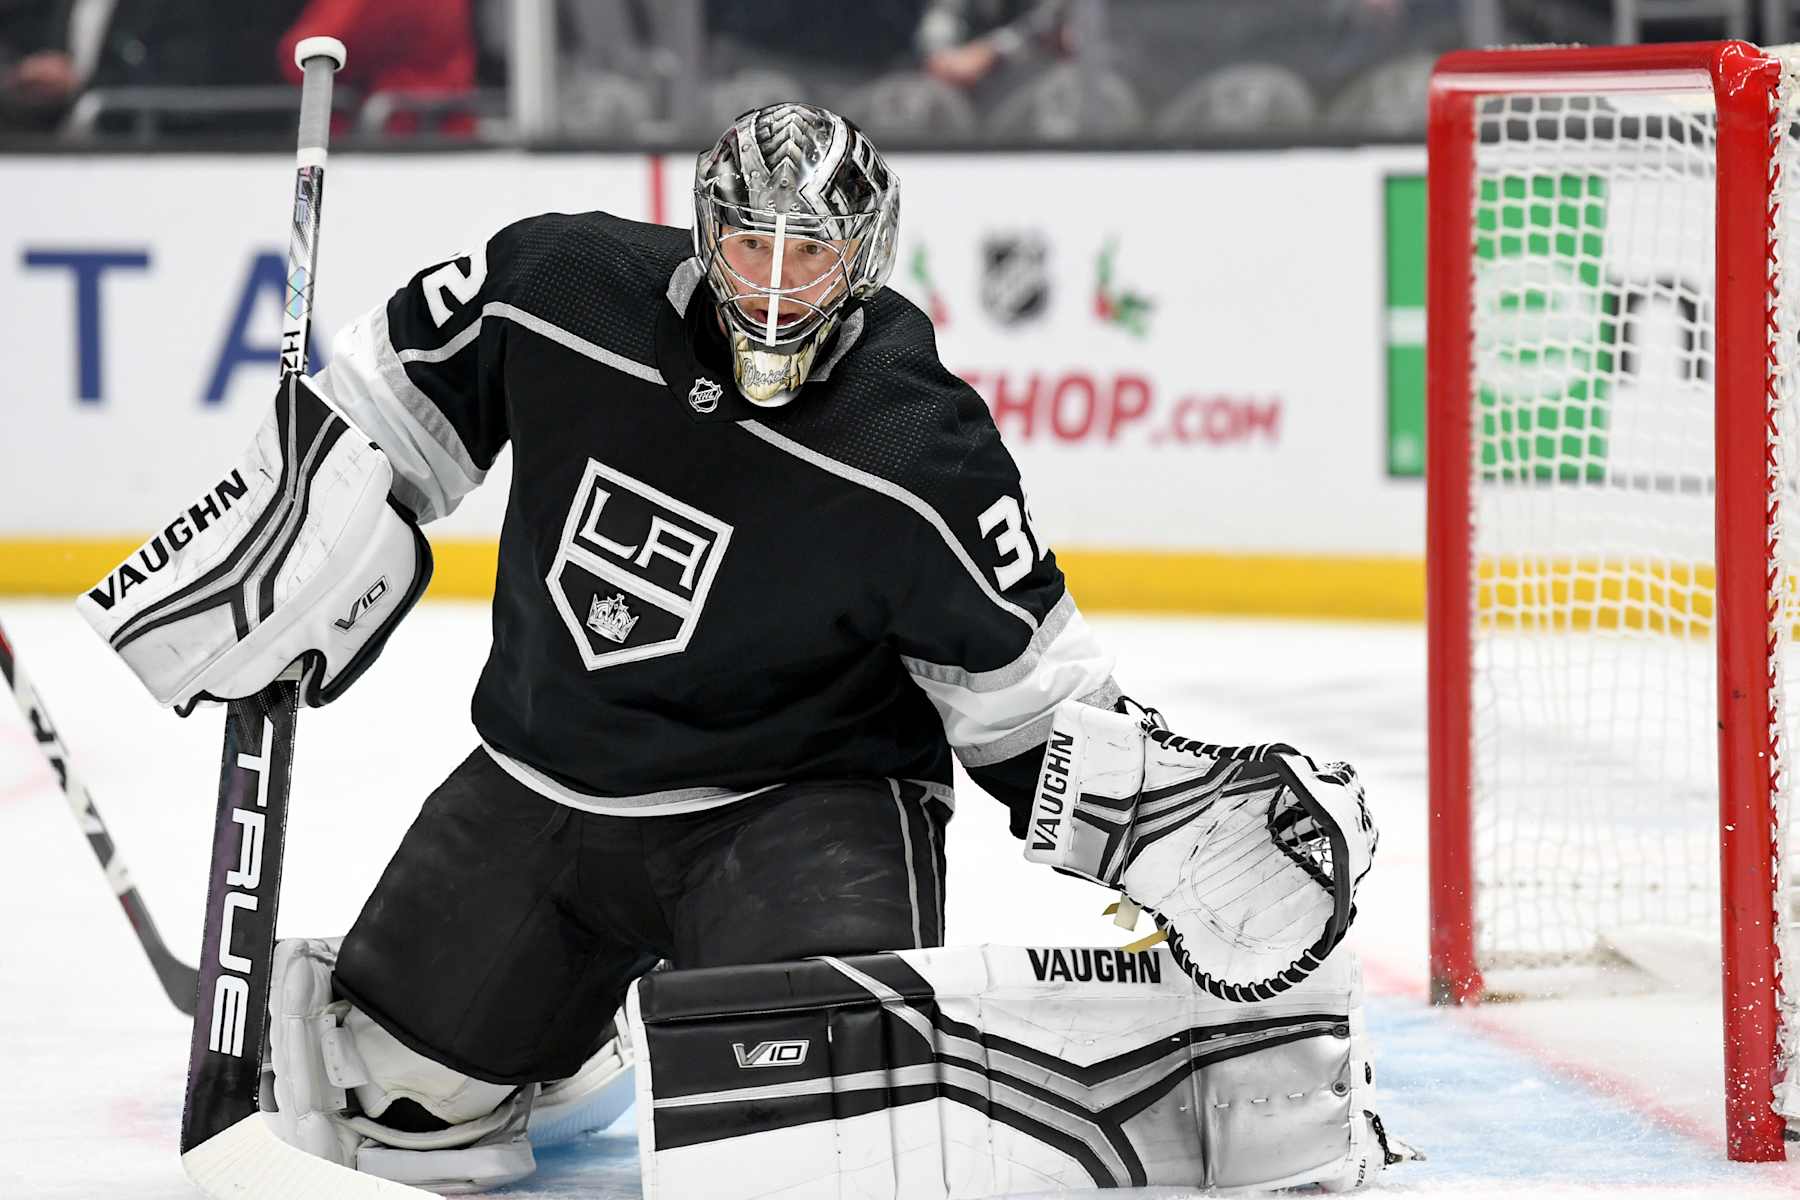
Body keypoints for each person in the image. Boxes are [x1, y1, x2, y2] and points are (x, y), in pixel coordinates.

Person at [79, 103, 1388, 1193]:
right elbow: (394, 392)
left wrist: (1148, 807)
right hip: (551, 782)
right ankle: (568, 1040)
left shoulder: (914, 445)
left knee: (814, 1146)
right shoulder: (562, 285)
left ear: (861, 258)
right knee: (389, 1104)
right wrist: (303, 520)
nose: (769, 284)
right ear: (706, 234)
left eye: (804, 258)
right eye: (747, 248)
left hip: (797, 810)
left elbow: (1024, 704)